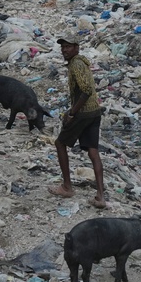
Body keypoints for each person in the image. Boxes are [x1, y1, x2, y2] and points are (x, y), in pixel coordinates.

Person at [49, 34, 107, 208]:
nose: (64, 50)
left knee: (60, 143)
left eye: (68, 47)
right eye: (63, 47)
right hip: (94, 111)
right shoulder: (82, 62)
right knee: (93, 151)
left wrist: (72, 113)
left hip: (83, 113)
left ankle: (67, 187)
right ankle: (100, 197)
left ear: (76, 47)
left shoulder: (76, 64)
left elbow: (86, 90)